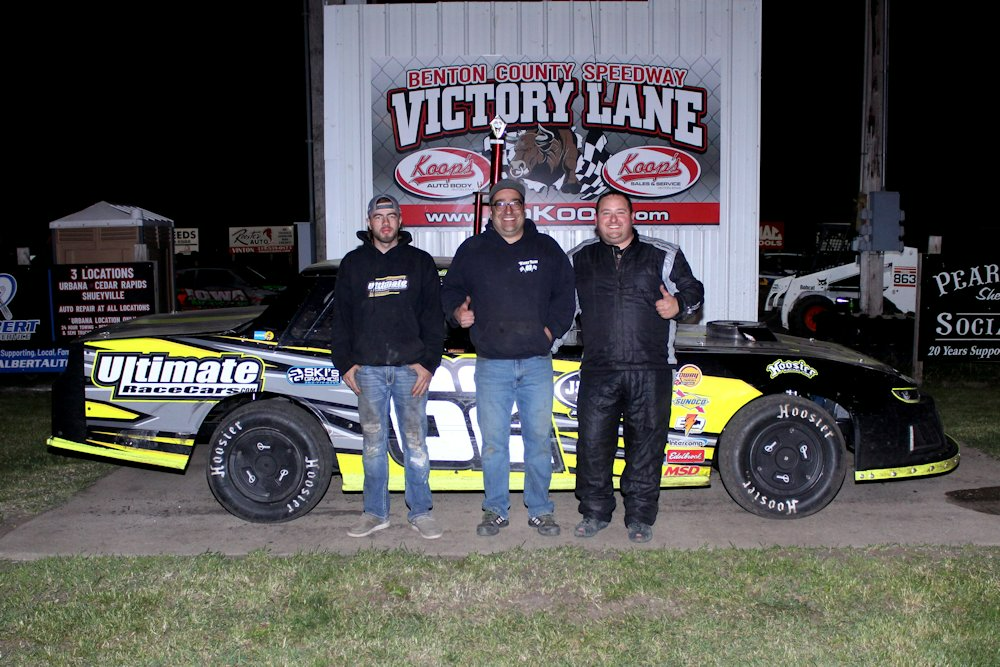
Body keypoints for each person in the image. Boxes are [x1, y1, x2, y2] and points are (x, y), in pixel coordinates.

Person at [441, 179, 575, 537]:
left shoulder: (546, 248)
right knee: (495, 443)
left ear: (524, 207)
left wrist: (549, 333)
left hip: (535, 364)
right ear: (491, 210)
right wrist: (458, 313)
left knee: (537, 439)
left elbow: (566, 296)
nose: (508, 210)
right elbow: (450, 291)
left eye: (514, 203)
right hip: (492, 365)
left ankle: (540, 509)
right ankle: (495, 510)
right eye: (500, 204)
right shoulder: (473, 250)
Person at [567, 190, 704, 543]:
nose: (613, 220)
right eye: (605, 213)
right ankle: (595, 512)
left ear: (632, 217)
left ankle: (640, 517)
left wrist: (680, 305)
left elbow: (694, 290)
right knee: (593, 446)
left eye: (620, 213)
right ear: (595, 220)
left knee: (646, 446)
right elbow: (559, 306)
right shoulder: (578, 258)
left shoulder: (663, 254)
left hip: (651, 368)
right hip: (598, 370)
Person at [330, 194, 445, 540]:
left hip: (411, 371)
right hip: (368, 371)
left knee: (416, 444)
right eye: (378, 216)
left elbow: (434, 318)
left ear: (400, 221)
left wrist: (428, 363)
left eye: (391, 216)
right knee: (373, 445)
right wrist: (345, 364)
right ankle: (375, 513)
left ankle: (421, 511)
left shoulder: (420, 262)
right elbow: (342, 318)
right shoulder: (353, 264)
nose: (385, 222)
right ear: (369, 222)